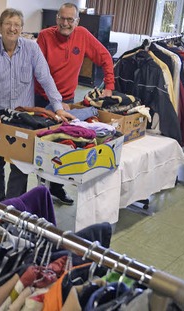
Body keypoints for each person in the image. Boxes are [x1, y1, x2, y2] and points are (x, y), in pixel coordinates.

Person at [0, 8, 75, 201]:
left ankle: (12, 208)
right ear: (0, 27)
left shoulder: (31, 48)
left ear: (22, 29)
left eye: (17, 25)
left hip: (21, 119)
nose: (12, 29)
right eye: (8, 24)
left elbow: (45, 78)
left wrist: (58, 107)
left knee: (20, 167)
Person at [34, 2, 115, 205]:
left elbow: (105, 56)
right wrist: (55, 103)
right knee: (43, 145)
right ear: (56, 19)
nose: (65, 23)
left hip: (67, 99)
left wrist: (109, 87)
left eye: (70, 19)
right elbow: (40, 72)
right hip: (42, 98)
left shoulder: (83, 35)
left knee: (63, 145)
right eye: (62, 18)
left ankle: (56, 187)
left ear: (77, 21)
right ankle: (40, 192)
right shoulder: (45, 36)